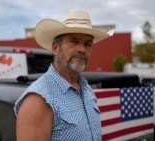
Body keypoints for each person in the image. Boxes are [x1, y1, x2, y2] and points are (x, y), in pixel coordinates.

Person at [14, 9, 114, 141]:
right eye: (73, 41)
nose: (82, 49)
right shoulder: (38, 100)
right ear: (55, 48)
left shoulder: (87, 89)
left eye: (87, 44)